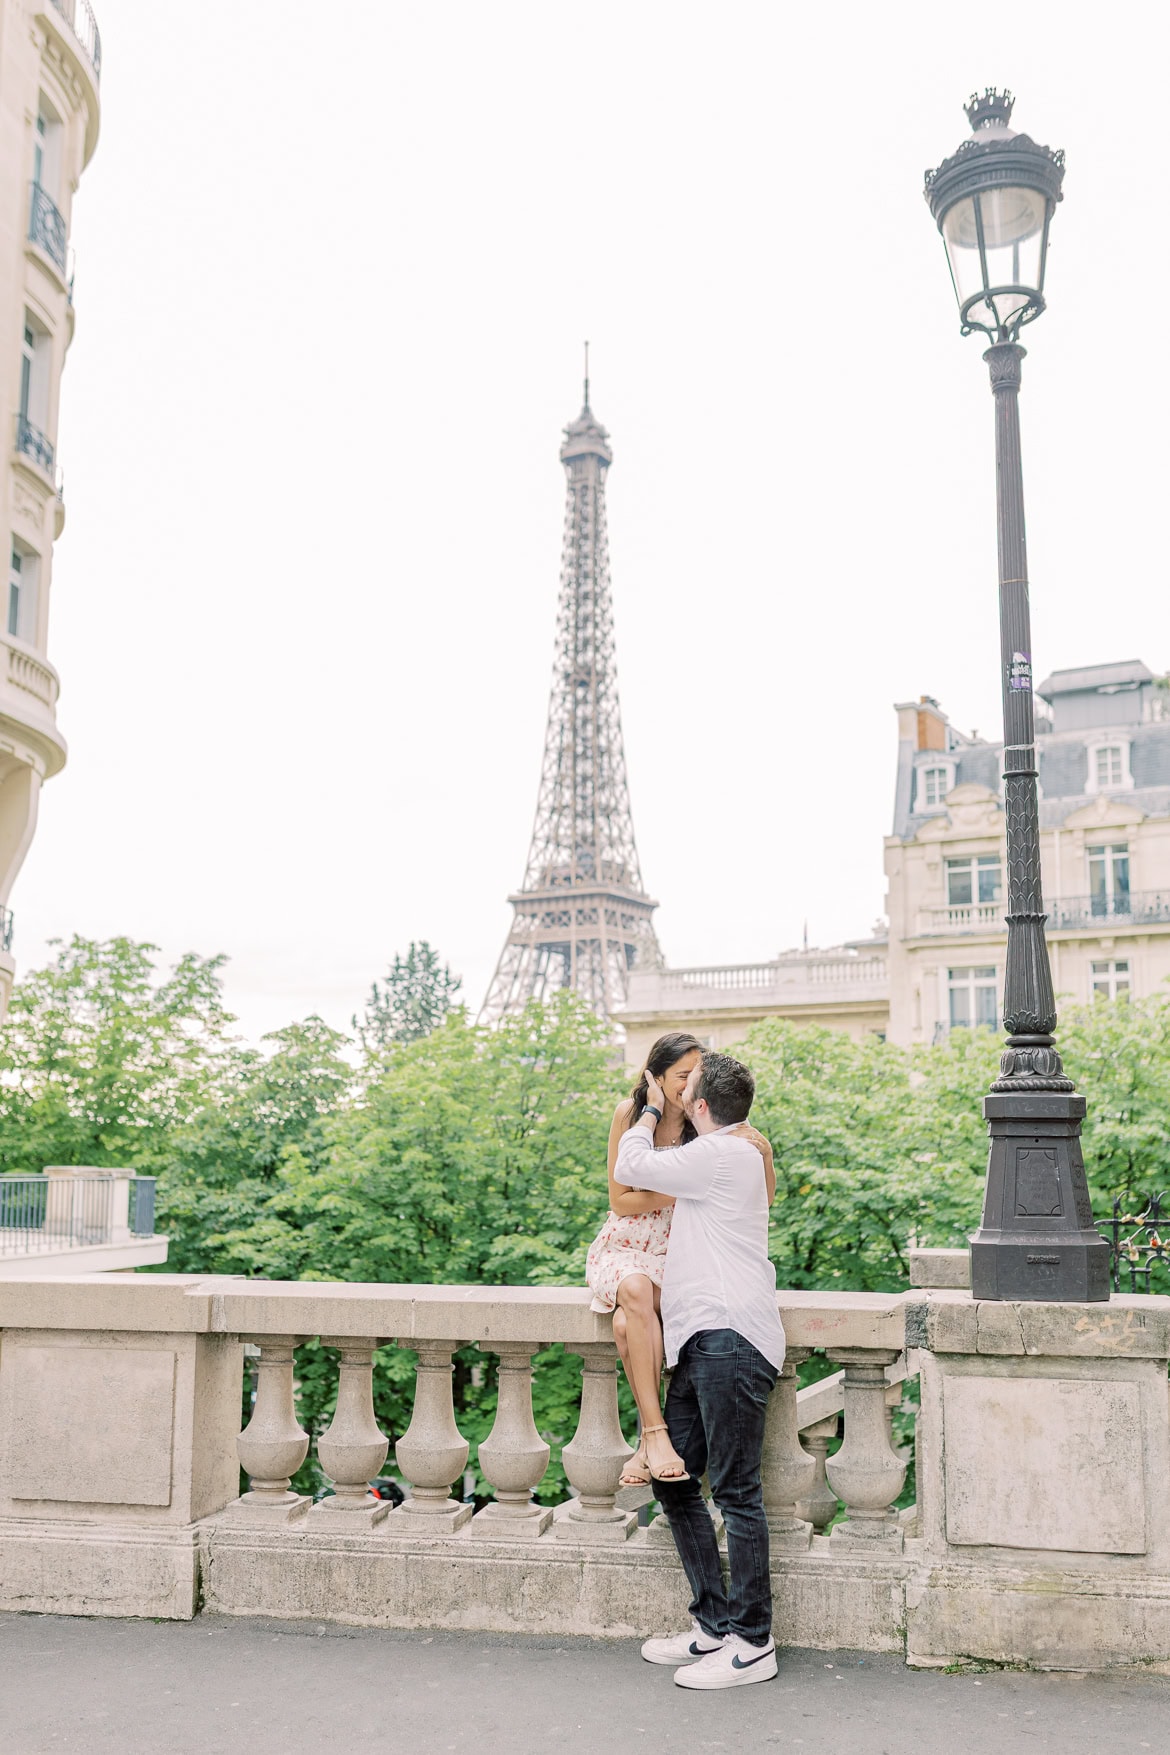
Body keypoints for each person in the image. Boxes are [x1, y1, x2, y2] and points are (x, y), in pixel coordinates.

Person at [616, 1049, 786, 1692]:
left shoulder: (721, 1153)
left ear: (702, 1105)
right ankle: (715, 1626)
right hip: (702, 1338)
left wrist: (652, 1105)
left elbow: (629, 1166)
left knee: (737, 1493)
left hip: (730, 1336)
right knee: (675, 1475)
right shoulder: (736, 1151)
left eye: (692, 1090)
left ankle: (752, 1642)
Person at [586, 1034, 774, 1486]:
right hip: (628, 1244)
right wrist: (688, 1184)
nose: (689, 1086)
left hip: (681, 1249)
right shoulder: (629, 1115)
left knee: (624, 1326)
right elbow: (620, 1200)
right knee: (632, 1290)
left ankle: (646, 1445)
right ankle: (654, 1433)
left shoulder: (708, 1119)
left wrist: (763, 1151)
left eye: (696, 1076)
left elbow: (762, 1196)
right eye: (681, 1076)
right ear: (656, 1076)